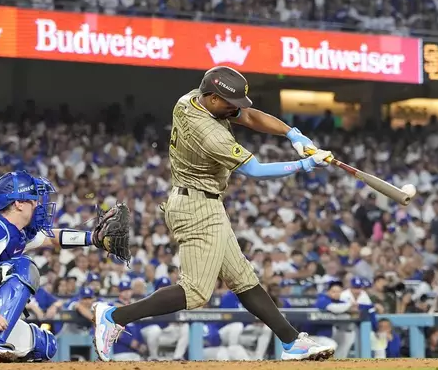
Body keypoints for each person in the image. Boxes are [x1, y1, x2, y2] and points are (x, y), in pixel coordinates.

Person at [93, 66, 335, 361]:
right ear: (212, 98)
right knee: (195, 292)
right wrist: (304, 165)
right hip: (196, 207)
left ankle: (291, 342)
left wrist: (293, 134)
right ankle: (114, 316)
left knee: (243, 278)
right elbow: (255, 170)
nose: (236, 109)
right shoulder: (208, 133)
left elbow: (248, 115)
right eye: (230, 103)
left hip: (204, 202)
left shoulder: (191, 99)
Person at [0, 171, 117, 362]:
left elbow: (52, 238)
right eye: (33, 199)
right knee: (23, 267)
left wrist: (94, 238)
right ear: (18, 203)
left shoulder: (16, 231)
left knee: (45, 345)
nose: (38, 204)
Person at [139, 277, 189, 361]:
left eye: (166, 287)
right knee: (155, 329)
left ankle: (177, 357)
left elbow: (181, 317)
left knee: (185, 327)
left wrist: (177, 322)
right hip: (151, 333)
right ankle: (153, 358)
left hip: (167, 333)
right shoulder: (148, 300)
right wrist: (168, 320)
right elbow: (145, 321)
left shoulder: (175, 302)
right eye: (161, 287)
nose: (164, 290)